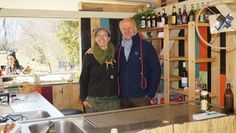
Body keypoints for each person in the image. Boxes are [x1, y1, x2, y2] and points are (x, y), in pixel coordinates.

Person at [118, 18, 161, 108]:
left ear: (135, 29)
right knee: (125, 122)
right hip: (122, 98)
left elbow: (156, 70)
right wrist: (92, 51)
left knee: (144, 122)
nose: (127, 31)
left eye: (129, 28)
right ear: (120, 30)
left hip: (142, 98)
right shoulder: (118, 48)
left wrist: (149, 95)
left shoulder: (146, 47)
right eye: (123, 29)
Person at [79, 28, 120, 113]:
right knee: (93, 126)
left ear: (109, 38)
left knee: (113, 126)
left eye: (104, 35)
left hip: (113, 101)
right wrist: (83, 99)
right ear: (95, 38)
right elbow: (83, 79)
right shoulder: (89, 56)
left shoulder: (116, 54)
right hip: (93, 101)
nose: (101, 38)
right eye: (98, 35)